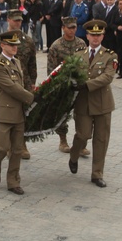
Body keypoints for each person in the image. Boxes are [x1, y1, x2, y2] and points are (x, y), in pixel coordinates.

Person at [68, 20, 117, 188]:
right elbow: (70, 72)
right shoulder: (78, 54)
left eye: (98, 35)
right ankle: (74, 155)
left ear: (102, 36)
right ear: (87, 36)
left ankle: (97, 174)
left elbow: (107, 77)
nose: (95, 38)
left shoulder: (110, 55)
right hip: (82, 103)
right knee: (83, 135)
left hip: (102, 103)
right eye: (92, 35)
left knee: (101, 139)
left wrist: (87, 85)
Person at [0, 30, 34, 195]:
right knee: (1, 148)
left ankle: (13, 181)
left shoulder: (17, 62)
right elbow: (12, 88)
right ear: (3, 45)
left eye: (16, 45)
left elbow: (21, 85)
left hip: (18, 114)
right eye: (11, 45)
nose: (15, 47)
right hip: (3, 114)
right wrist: (32, 98)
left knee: (16, 150)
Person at [47, 16, 88, 155]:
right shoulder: (56, 46)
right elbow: (51, 69)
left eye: (74, 27)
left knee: (82, 115)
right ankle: (63, 140)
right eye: (69, 27)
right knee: (62, 114)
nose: (72, 30)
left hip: (79, 85)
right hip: (63, 85)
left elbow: (86, 63)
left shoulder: (81, 43)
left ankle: (81, 144)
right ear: (63, 28)